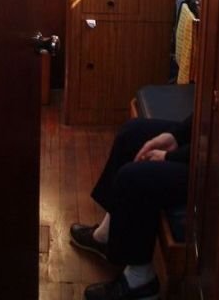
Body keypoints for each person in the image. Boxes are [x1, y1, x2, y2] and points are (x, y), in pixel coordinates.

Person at [70, 113, 192, 300]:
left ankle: (140, 281)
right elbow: (209, 115)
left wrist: (170, 156)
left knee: (132, 179)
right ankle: (107, 235)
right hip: (203, 142)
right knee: (131, 133)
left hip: (213, 167)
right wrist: (176, 136)